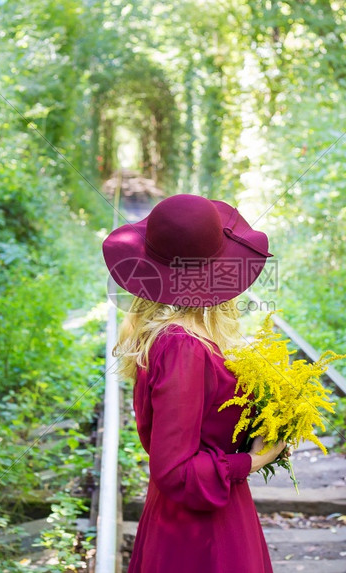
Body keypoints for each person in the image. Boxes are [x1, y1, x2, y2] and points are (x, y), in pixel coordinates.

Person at [102, 193, 289, 573]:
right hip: (200, 535)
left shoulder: (177, 336)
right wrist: (256, 458)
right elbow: (175, 472)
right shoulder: (183, 346)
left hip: (198, 519)